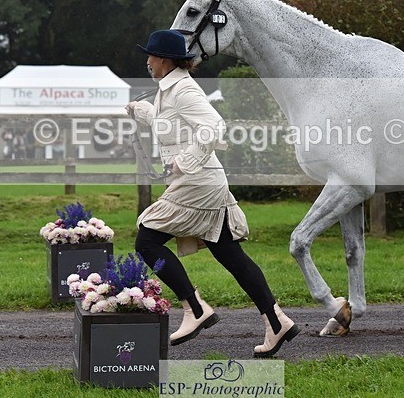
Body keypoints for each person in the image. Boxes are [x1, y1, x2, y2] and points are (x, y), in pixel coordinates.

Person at [125, 29, 299, 357]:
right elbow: (170, 126)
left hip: (198, 183)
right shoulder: (169, 89)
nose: (147, 61)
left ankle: (194, 307)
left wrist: (186, 162)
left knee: (146, 241)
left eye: (150, 56)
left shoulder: (183, 89)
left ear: (163, 59)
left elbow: (214, 126)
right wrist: (142, 112)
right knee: (229, 255)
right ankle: (277, 322)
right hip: (206, 182)